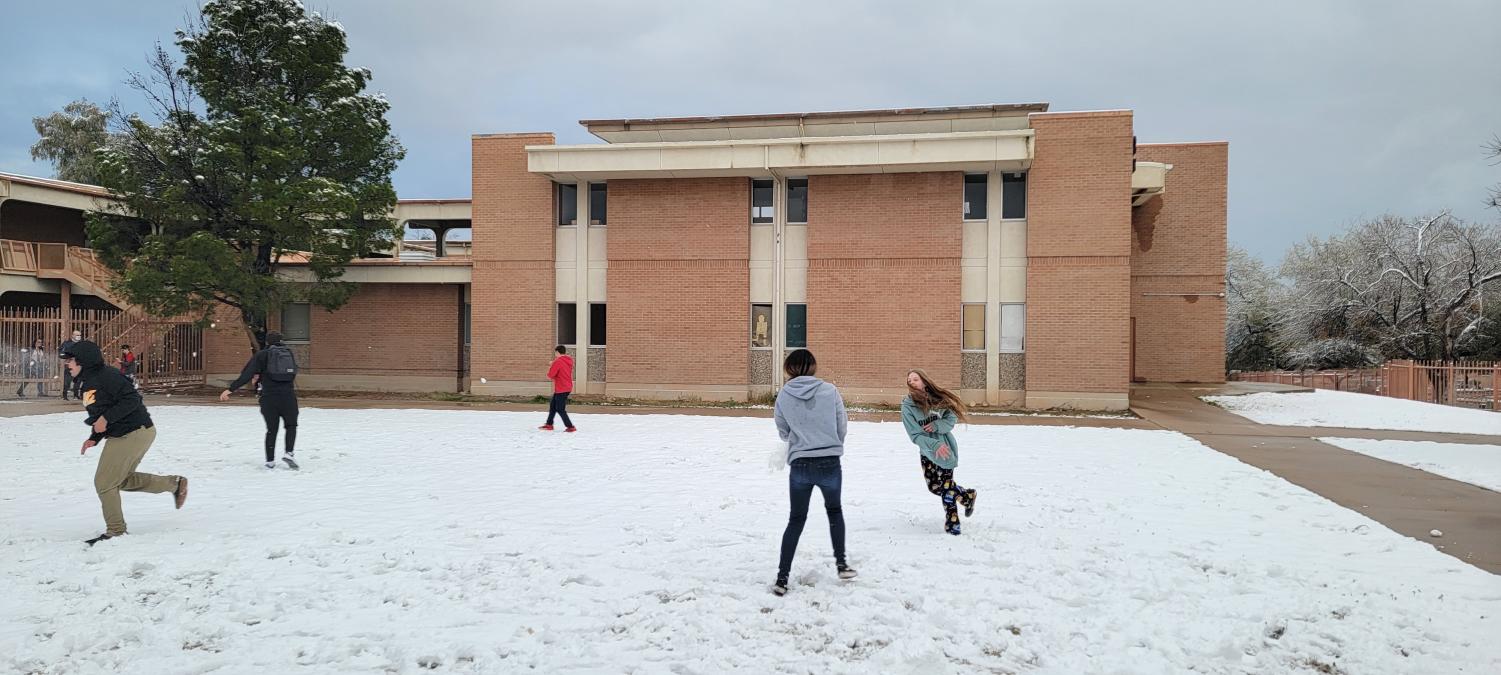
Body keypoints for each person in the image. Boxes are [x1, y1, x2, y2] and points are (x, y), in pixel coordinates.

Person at [61, 340, 188, 545]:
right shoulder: (87, 381)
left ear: (84, 360)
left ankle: (116, 531)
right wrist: (94, 437)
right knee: (119, 481)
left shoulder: (106, 376)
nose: (68, 364)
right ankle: (175, 484)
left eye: (71, 360)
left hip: (133, 432)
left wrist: (106, 419)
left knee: (104, 483)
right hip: (131, 432)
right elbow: (102, 412)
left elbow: (132, 400)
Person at [771, 349, 857, 596]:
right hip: (829, 462)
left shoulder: (784, 395)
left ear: (789, 368)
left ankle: (782, 578)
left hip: (800, 464)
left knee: (796, 519)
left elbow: (782, 430)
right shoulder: (829, 391)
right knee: (834, 511)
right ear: (812, 367)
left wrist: (800, 440)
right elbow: (842, 425)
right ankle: (841, 565)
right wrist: (831, 443)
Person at [901, 369, 976, 536]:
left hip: (945, 449)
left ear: (925, 382)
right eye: (909, 380)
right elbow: (915, 435)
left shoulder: (939, 400)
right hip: (927, 451)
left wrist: (937, 426)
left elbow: (951, 419)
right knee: (935, 487)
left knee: (947, 487)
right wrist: (933, 445)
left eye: (915, 379)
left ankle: (953, 524)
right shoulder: (907, 406)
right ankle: (967, 497)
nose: (912, 382)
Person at [219, 331, 300, 469]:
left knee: (271, 429)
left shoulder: (262, 355)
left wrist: (230, 389)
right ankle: (289, 452)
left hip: (269, 397)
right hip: (288, 396)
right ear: (281, 341)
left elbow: (247, 374)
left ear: (267, 342)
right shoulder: (288, 353)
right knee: (291, 425)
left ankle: (270, 461)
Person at [539, 345, 576, 432]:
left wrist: (552, 365)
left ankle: (570, 427)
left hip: (561, 388)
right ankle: (549, 424)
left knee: (560, 409)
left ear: (557, 352)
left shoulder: (558, 361)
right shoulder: (568, 360)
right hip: (566, 386)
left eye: (555, 353)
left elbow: (551, 375)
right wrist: (554, 363)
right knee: (553, 406)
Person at [60, 329, 83, 400]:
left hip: (79, 365)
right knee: (67, 381)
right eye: (77, 335)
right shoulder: (67, 343)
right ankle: (65, 395)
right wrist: (69, 356)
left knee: (78, 381)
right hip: (69, 364)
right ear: (72, 335)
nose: (79, 336)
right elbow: (61, 353)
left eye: (79, 335)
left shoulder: (82, 344)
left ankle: (76, 395)